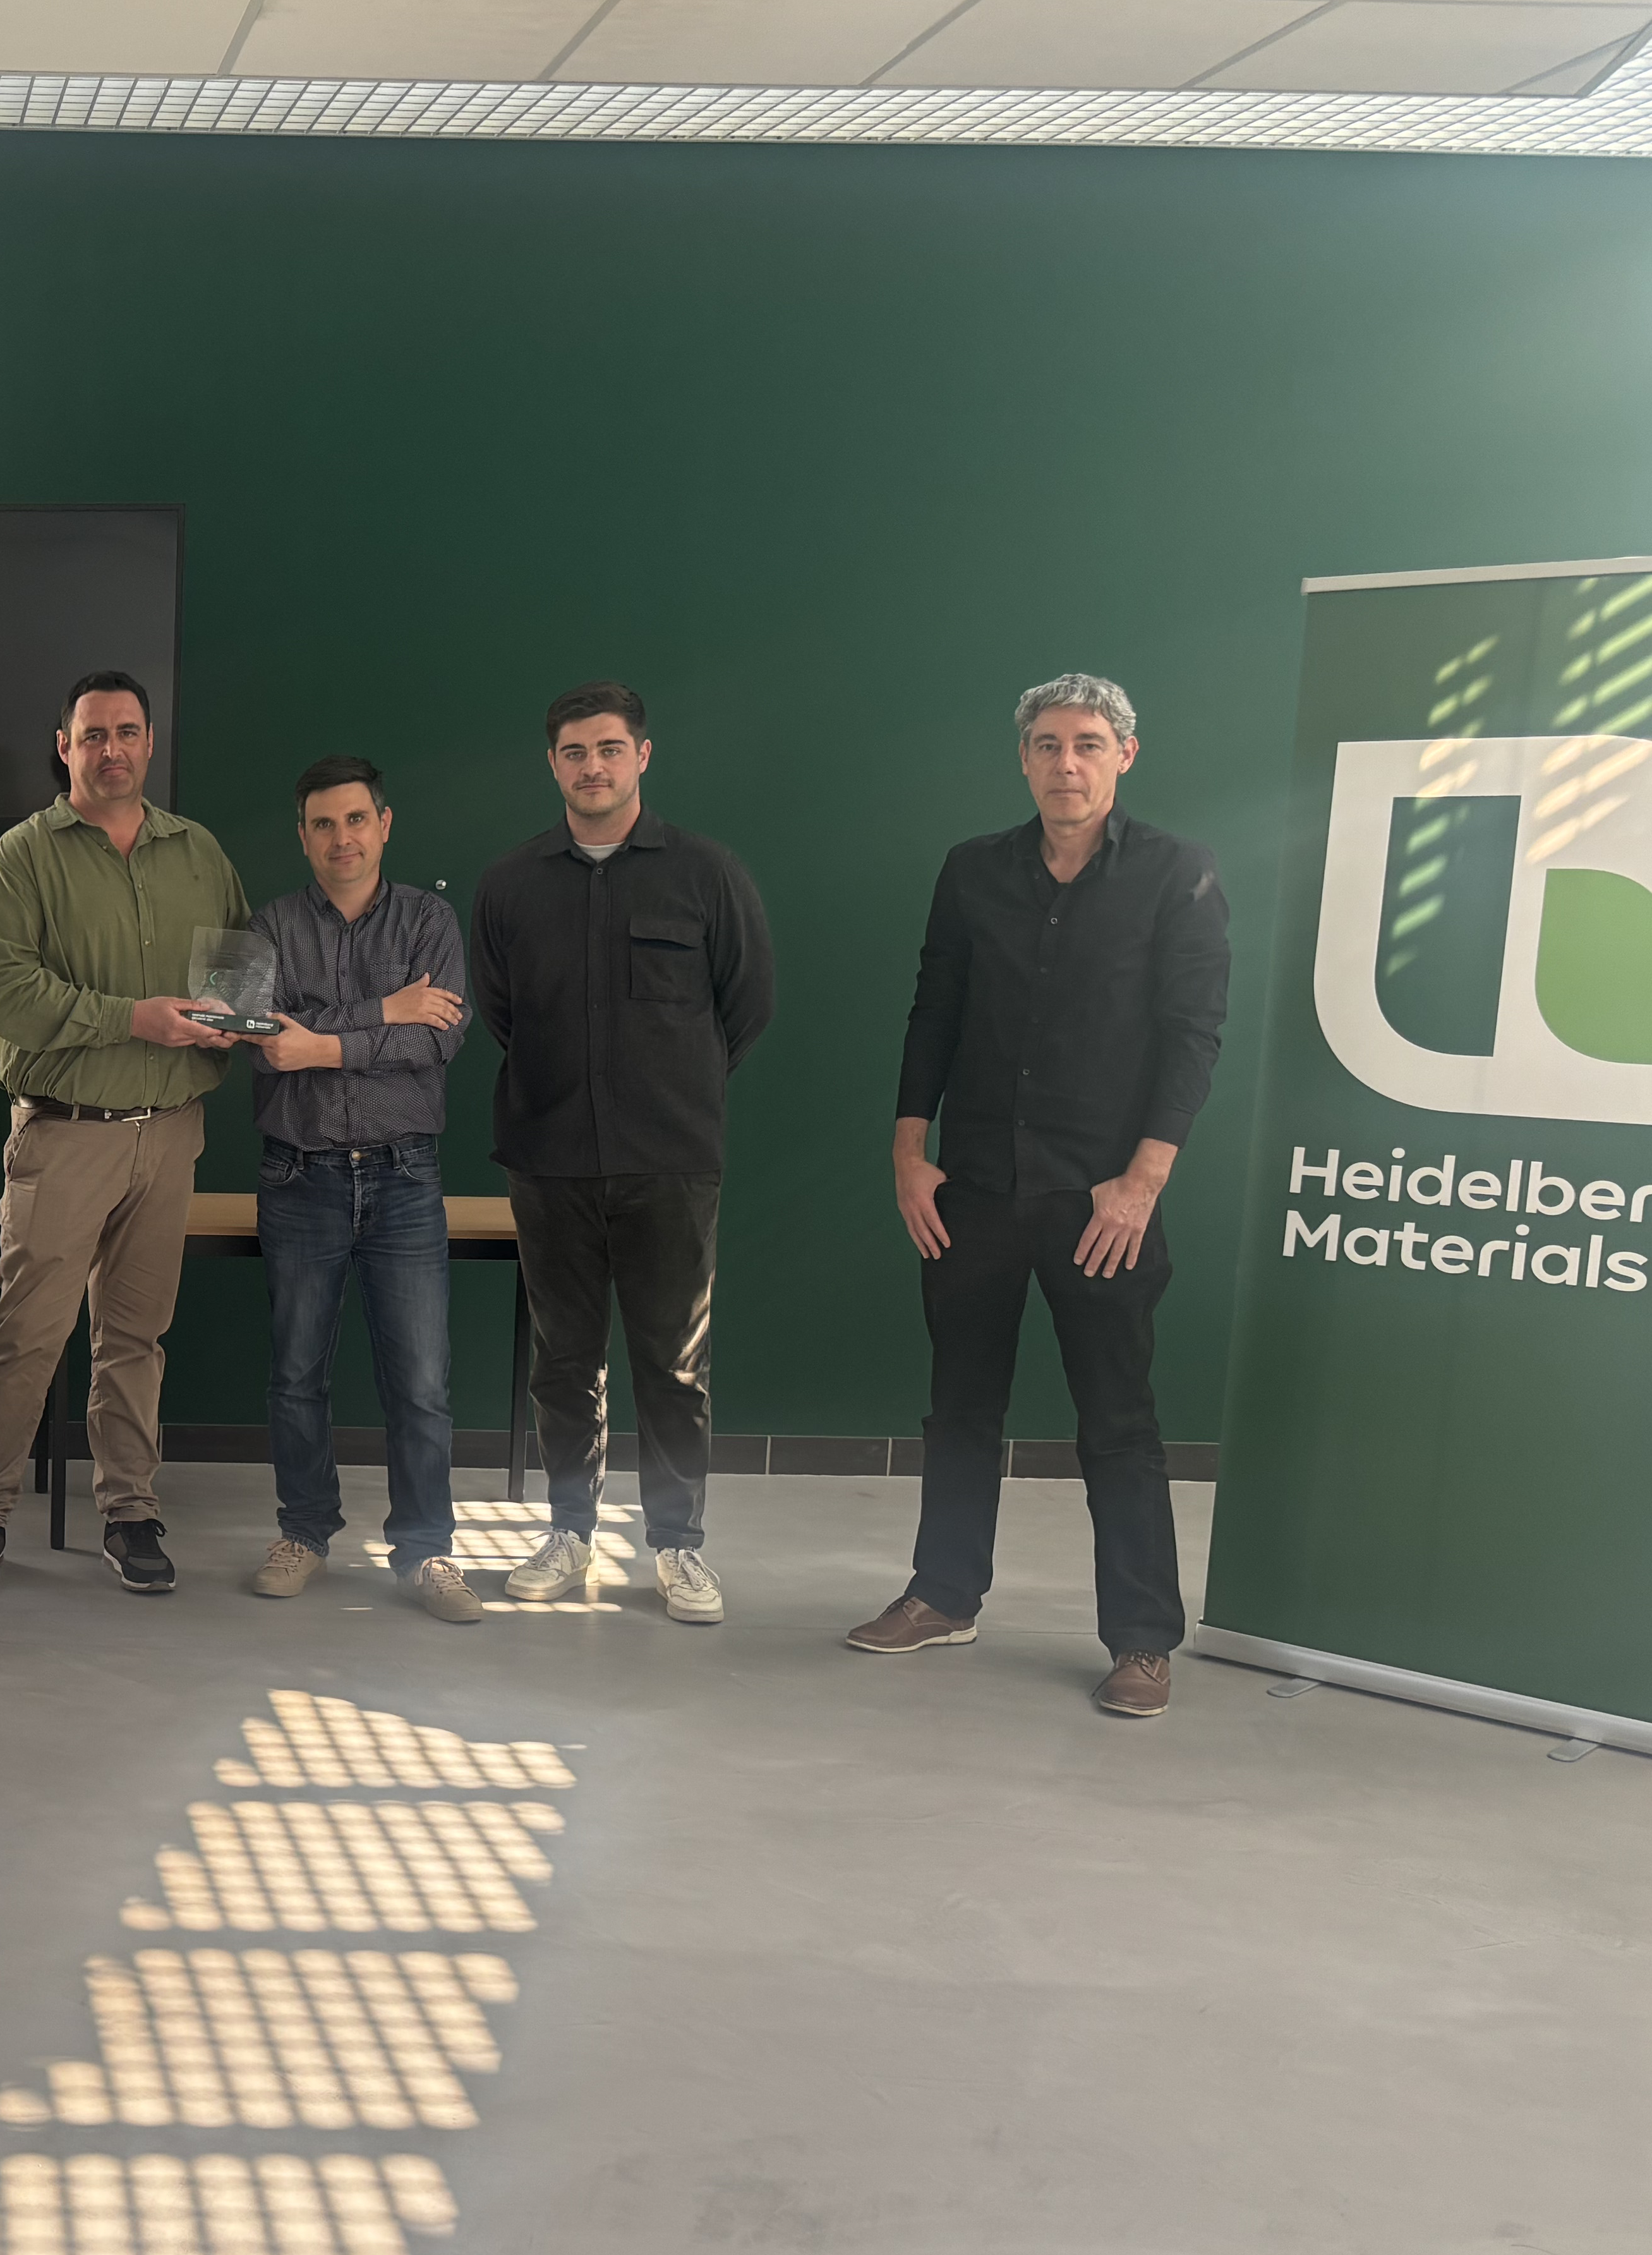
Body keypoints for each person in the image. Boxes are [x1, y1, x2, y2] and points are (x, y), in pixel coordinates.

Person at [852, 672, 1229, 1719]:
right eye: (1049, 745)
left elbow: (1194, 1034)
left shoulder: (1177, 874)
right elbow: (934, 1008)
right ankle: (943, 1594)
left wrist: (1143, 1181)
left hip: (1102, 1200)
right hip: (971, 1186)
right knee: (961, 1406)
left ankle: (1144, 1641)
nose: (1068, 763)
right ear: (1023, 758)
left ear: (1125, 757)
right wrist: (908, 1153)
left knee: (1118, 1420)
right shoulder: (973, 871)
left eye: (1090, 744)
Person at [469, 680, 773, 1625]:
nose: (591, 767)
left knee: (673, 1364)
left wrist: (666, 1087)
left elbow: (746, 1004)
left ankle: (678, 1548)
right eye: (573, 752)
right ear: (552, 765)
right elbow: (499, 1011)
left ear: (642, 756)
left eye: (609, 749)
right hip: (550, 1157)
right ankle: (569, 1533)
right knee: (564, 1360)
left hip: (670, 1161)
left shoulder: (706, 874)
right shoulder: (511, 884)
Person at [0, 669, 251, 1597]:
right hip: (64, 1137)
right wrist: (133, 1019)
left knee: (135, 1337)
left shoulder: (199, 852)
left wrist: (232, 1020)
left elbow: (240, 974)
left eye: (127, 732)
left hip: (171, 1135)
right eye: (93, 735)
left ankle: (130, 1512)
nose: (111, 749)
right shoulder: (24, 857)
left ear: (149, 743)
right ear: (64, 746)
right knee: (28, 1334)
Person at [243, 758, 476, 1623]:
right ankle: (303, 1530)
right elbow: (263, 1039)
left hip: (405, 1174)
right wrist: (387, 1011)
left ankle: (426, 1549)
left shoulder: (430, 919)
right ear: (302, 836)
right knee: (297, 1374)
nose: (341, 839)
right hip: (297, 1174)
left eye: (356, 820)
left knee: (420, 1381)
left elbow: (439, 1043)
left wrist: (328, 1042)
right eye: (322, 825)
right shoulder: (267, 927)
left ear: (385, 824)